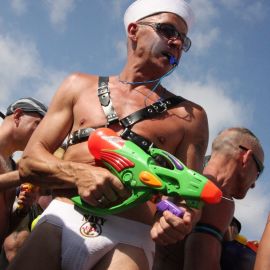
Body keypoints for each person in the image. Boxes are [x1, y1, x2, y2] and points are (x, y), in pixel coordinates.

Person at [7, 1, 208, 269]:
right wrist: (80, 174)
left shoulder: (191, 116)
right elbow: (30, 161)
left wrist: (181, 220)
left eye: (183, 40)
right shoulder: (77, 85)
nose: (176, 43)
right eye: (168, 30)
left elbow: (189, 194)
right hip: (62, 218)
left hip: (130, 238)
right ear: (134, 30)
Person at [183, 127, 264, 270]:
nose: (254, 184)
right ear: (245, 158)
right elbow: (200, 264)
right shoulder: (217, 198)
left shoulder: (184, 181)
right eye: (258, 172)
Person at [0, 97, 47, 247]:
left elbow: (5, 229)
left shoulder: (12, 166)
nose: (41, 135)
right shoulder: (18, 172)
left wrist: (22, 209)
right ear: (18, 116)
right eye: (38, 126)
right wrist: (25, 174)